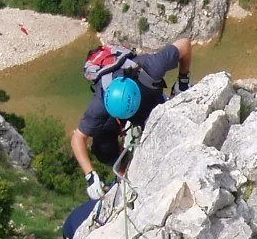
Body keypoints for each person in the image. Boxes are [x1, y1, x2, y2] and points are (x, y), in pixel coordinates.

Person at [70, 38, 192, 200]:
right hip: (119, 108)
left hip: (148, 99)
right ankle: (126, 172)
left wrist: (182, 83)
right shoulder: (101, 101)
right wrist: (90, 175)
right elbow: (78, 138)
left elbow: (184, 44)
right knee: (102, 147)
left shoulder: (150, 67)